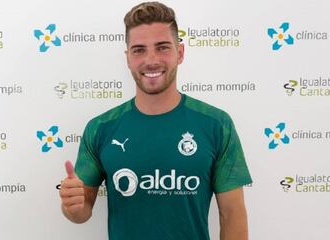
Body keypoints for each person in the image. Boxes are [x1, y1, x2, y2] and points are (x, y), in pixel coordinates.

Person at [59, 2, 252, 240]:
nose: (151, 60)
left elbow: (232, 214)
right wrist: (73, 206)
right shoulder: (101, 128)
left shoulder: (216, 124)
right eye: (139, 50)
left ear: (179, 53)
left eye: (162, 47)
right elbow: (81, 211)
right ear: (128, 58)